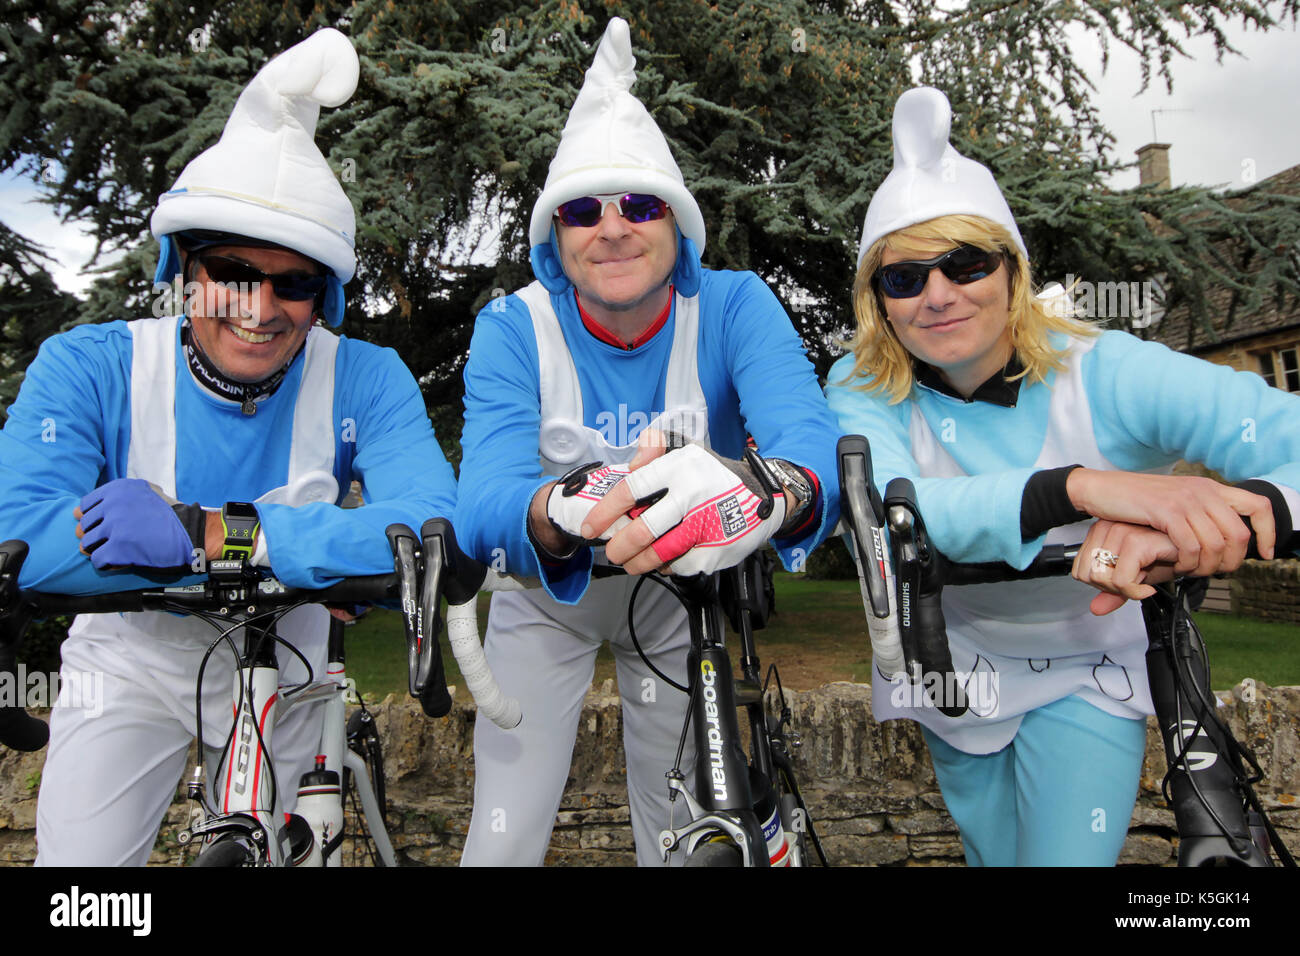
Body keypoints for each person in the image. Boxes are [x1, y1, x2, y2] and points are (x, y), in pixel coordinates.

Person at [0, 29, 458, 866]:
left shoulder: (368, 375)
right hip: (129, 658)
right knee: (83, 889)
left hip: (291, 657)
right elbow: (19, 543)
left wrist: (211, 532)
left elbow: (432, 531)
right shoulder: (88, 365)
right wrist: (310, 549)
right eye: (232, 271)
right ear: (184, 267)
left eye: (296, 282)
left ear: (326, 300)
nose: (261, 306)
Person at [826, 86, 1300, 867]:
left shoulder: (1106, 370)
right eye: (904, 279)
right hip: (949, 663)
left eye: (965, 264)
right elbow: (887, 510)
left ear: (1012, 270)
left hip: (1090, 659)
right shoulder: (864, 383)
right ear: (878, 300)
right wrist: (1080, 489)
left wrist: (1233, 512)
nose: (937, 296)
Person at [453, 17, 842, 866]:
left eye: (640, 204)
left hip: (683, 596)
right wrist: (557, 505)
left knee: (682, 839)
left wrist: (763, 486)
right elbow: (481, 500)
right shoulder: (512, 326)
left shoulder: (736, 305)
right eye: (583, 210)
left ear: (679, 224)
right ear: (555, 238)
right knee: (502, 840)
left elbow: (812, 446)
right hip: (545, 599)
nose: (614, 227)